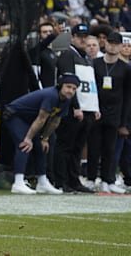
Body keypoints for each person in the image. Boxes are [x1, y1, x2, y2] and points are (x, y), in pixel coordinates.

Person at [2, 73, 80, 194]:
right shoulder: (51, 95)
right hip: (15, 115)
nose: (71, 91)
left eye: (74, 89)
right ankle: (18, 182)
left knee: (41, 146)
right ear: (60, 86)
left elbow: (55, 121)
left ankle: (42, 182)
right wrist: (28, 138)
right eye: (68, 87)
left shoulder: (66, 100)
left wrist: (45, 138)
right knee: (24, 144)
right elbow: (41, 119)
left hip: (29, 120)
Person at [54, 23, 97, 193]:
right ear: (72, 37)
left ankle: (73, 179)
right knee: (65, 146)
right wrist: (75, 106)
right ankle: (61, 180)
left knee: (77, 148)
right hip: (73, 109)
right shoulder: (67, 55)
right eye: (79, 37)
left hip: (87, 108)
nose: (83, 40)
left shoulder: (86, 58)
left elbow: (90, 85)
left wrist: (95, 106)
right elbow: (68, 84)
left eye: (85, 37)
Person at [88, 32, 129, 193]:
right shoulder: (95, 63)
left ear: (120, 46)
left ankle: (108, 179)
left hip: (115, 113)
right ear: (104, 44)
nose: (112, 46)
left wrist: (124, 123)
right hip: (96, 111)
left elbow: (127, 97)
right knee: (93, 147)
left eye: (116, 43)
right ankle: (91, 178)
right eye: (110, 42)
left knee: (110, 149)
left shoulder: (125, 68)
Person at [28, 21, 58, 88]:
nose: (48, 34)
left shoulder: (53, 51)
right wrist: (53, 35)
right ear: (39, 34)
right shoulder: (36, 50)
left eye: (50, 32)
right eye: (45, 32)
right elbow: (42, 45)